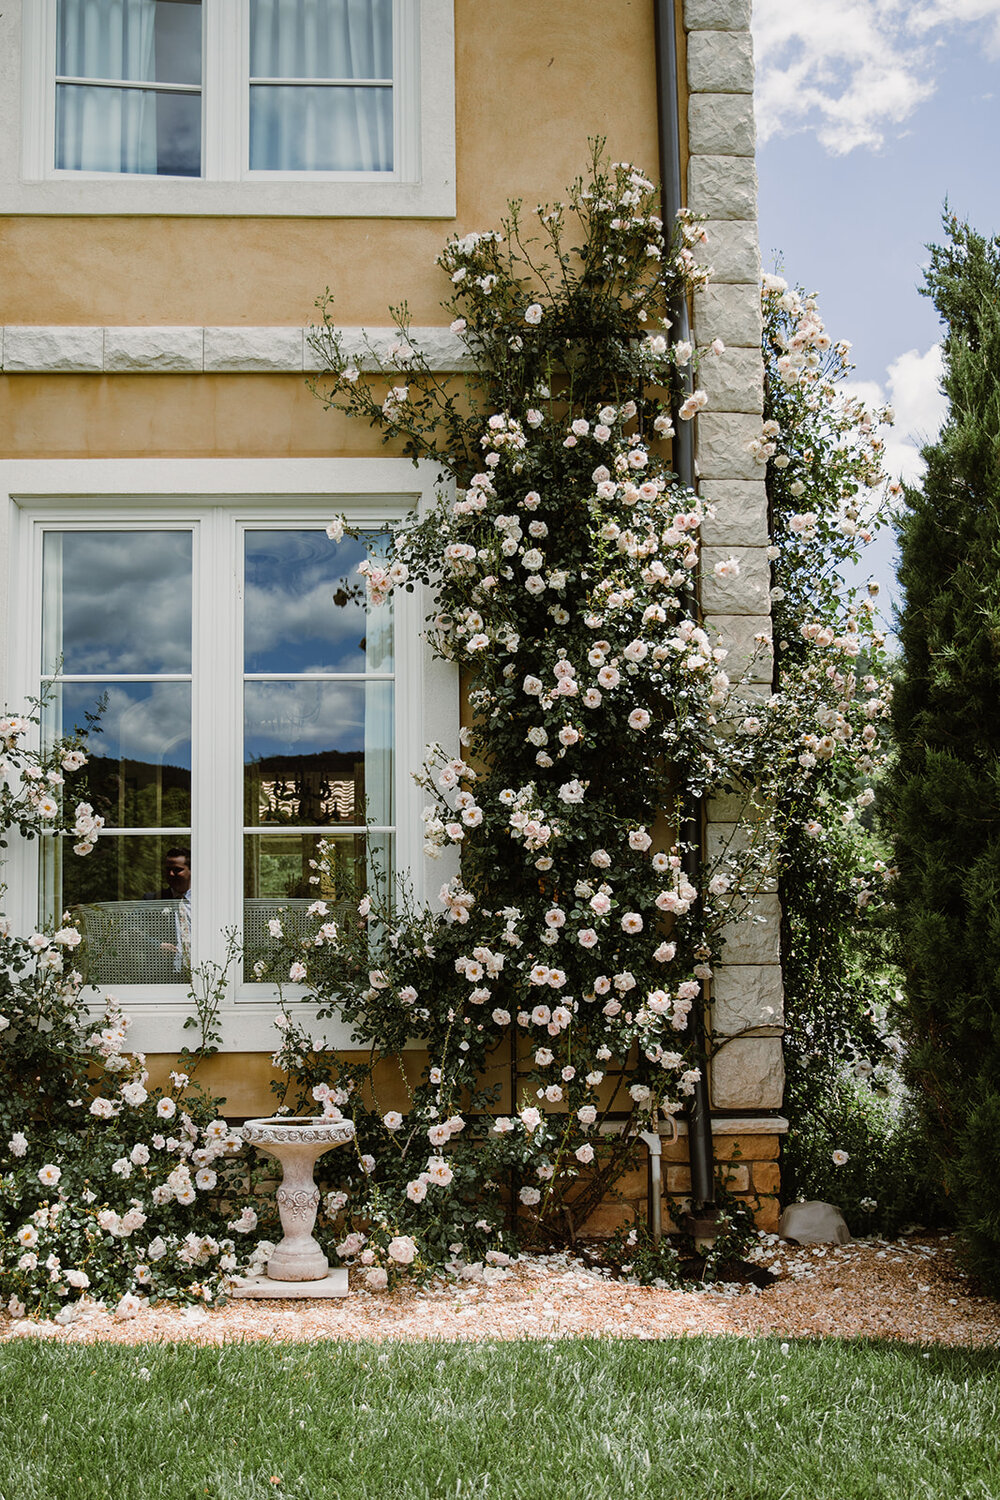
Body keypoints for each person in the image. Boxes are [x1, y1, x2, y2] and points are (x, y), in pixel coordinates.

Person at [160, 847, 191, 974]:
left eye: (177, 870)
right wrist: (157, 945)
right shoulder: (155, 899)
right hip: (167, 975)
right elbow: (132, 928)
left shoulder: (206, 901)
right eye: (168, 870)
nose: (171, 874)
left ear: (191, 870)